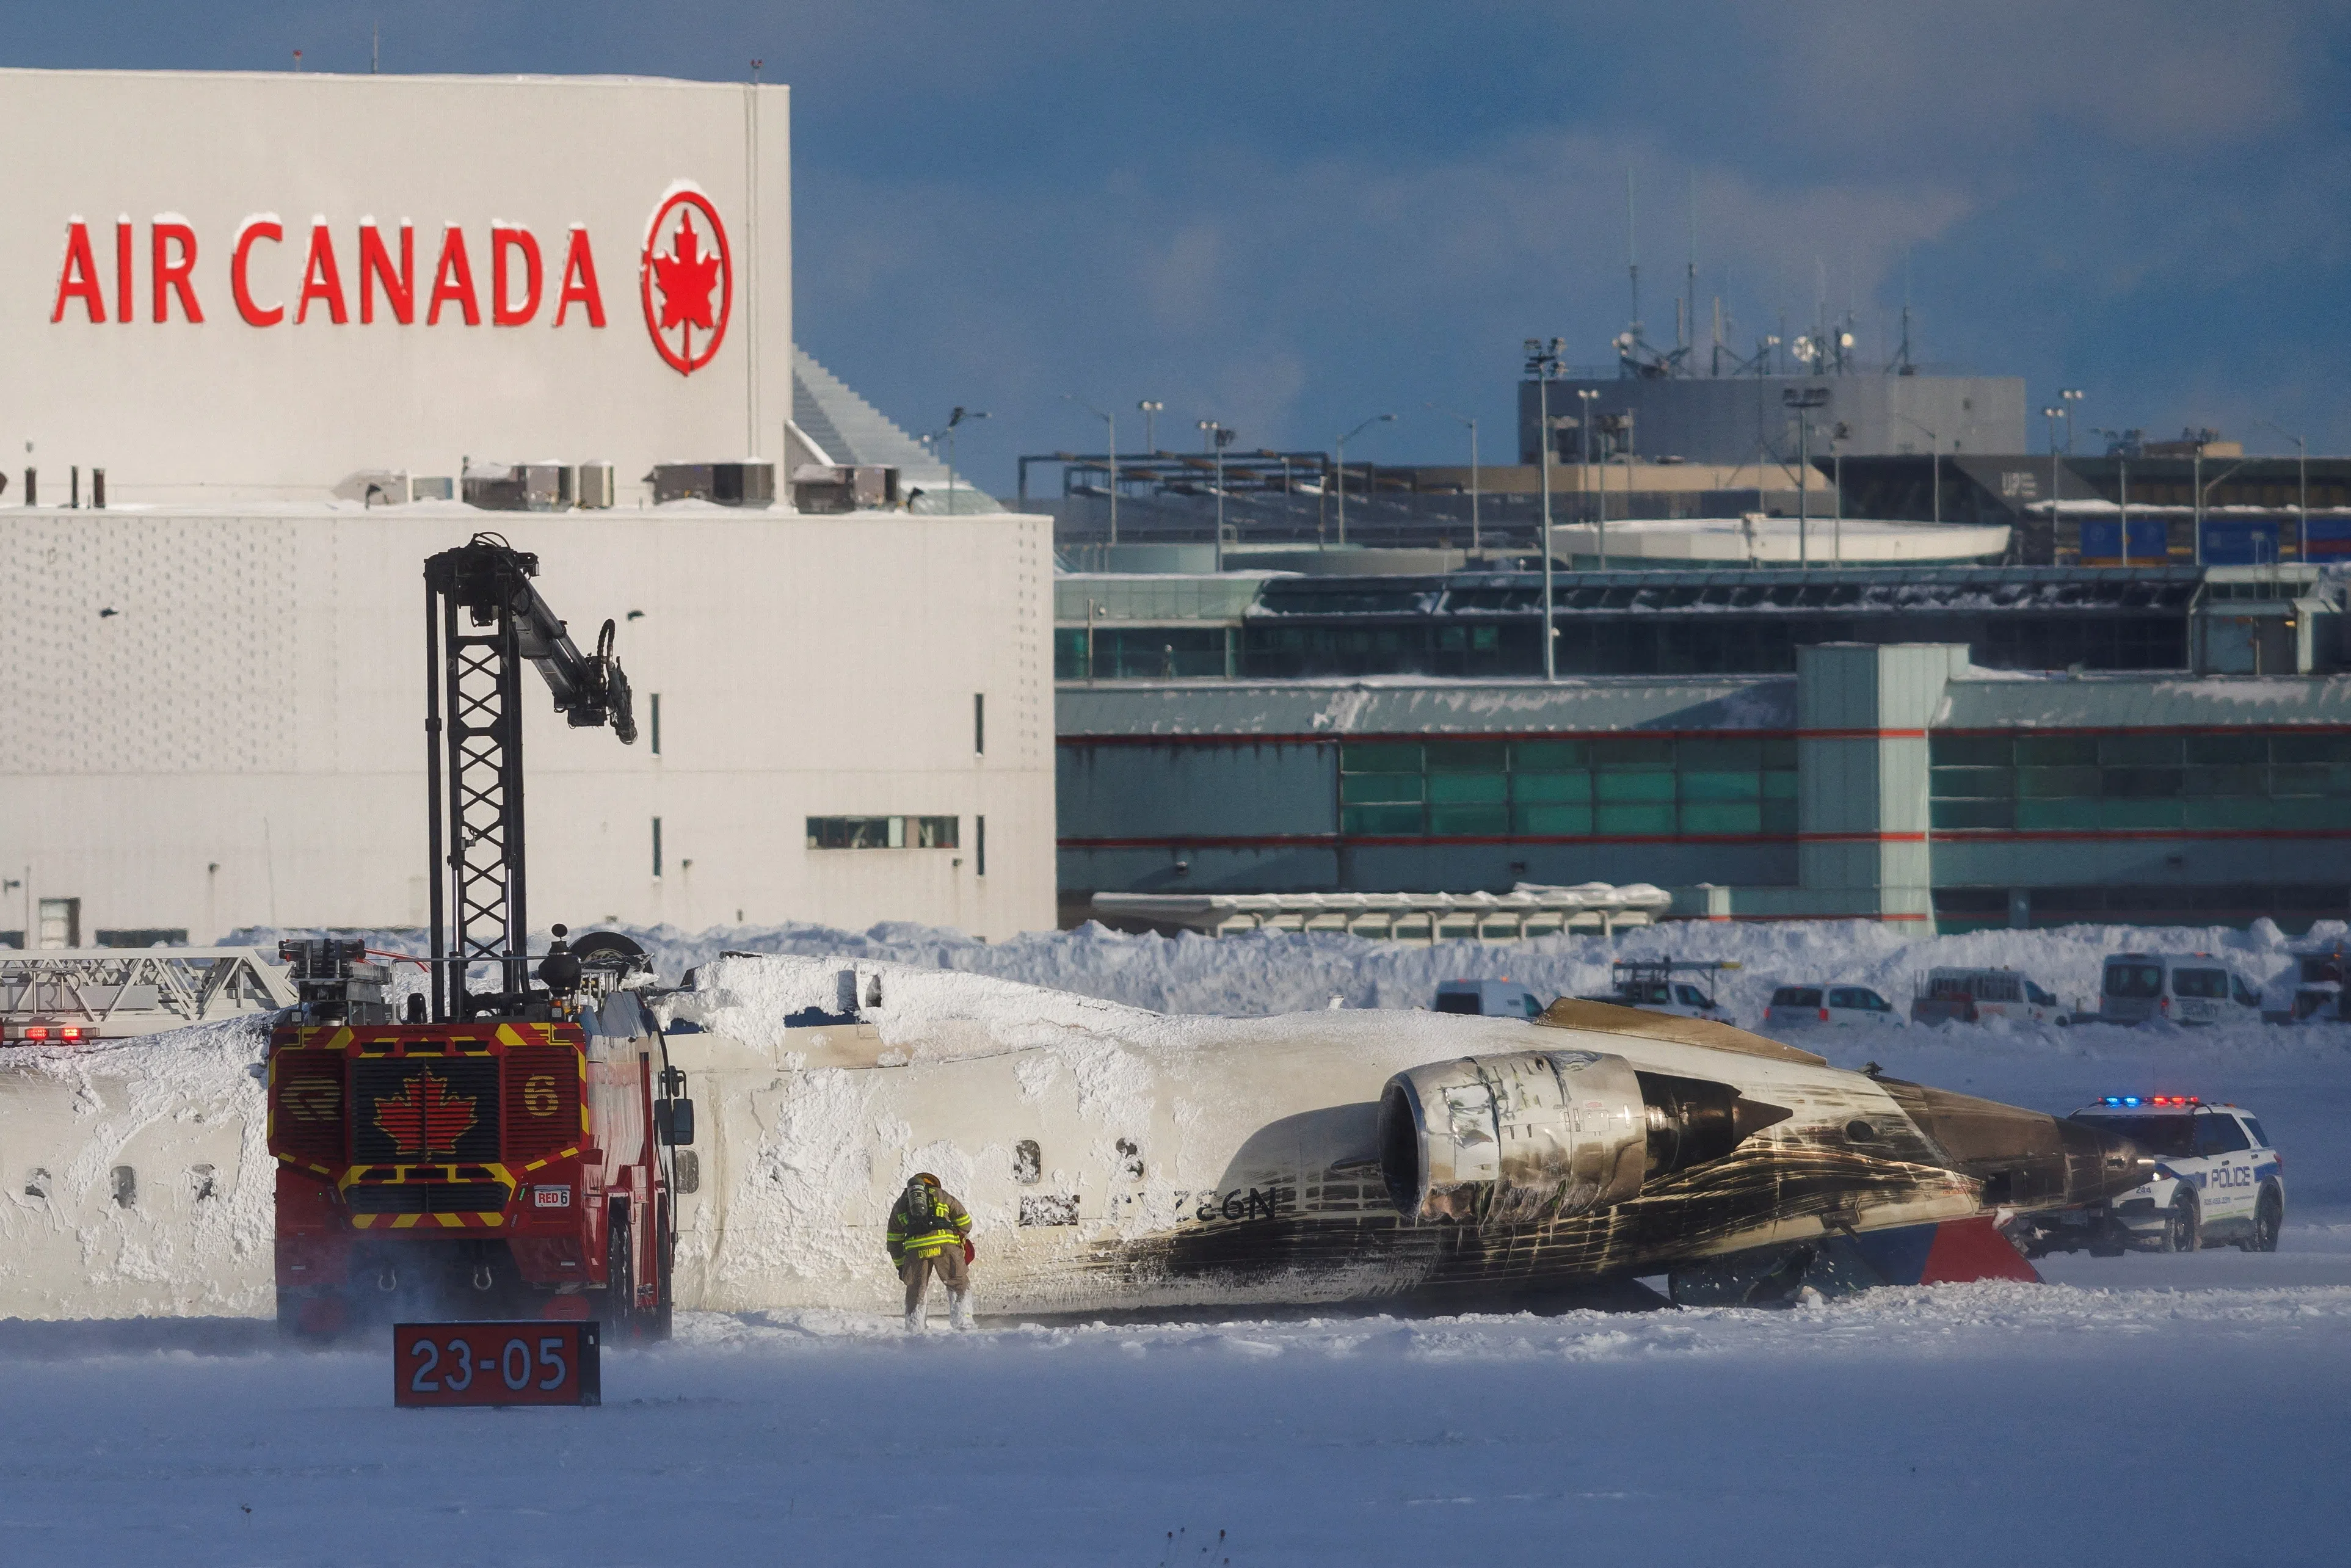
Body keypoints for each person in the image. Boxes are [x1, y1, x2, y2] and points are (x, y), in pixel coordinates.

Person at [887, 1172, 974, 1332]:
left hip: (916, 1250)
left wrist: (901, 1266)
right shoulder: (942, 1195)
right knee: (958, 1284)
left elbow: (894, 1240)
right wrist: (959, 1237)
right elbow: (966, 1222)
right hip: (945, 1247)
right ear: (932, 1184)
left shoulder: (901, 1204)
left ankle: (915, 1327)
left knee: (916, 1289)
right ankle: (964, 1324)